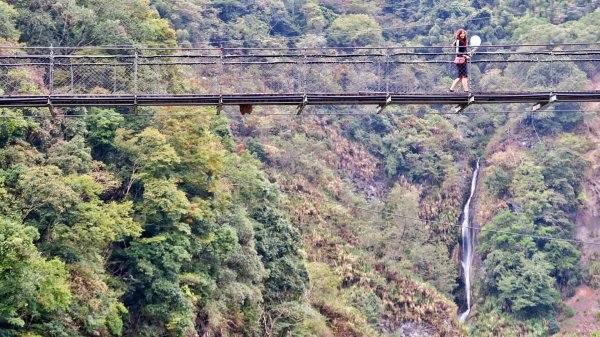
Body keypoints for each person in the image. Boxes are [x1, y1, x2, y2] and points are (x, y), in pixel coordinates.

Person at [449, 29, 470, 93]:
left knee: (460, 77)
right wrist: (465, 56)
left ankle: (451, 89)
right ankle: (466, 91)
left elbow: (462, 51)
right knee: (464, 76)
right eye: (461, 33)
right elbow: (458, 52)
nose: (463, 35)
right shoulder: (459, 42)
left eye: (464, 33)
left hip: (462, 60)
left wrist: (467, 54)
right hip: (461, 61)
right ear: (459, 34)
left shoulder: (463, 42)